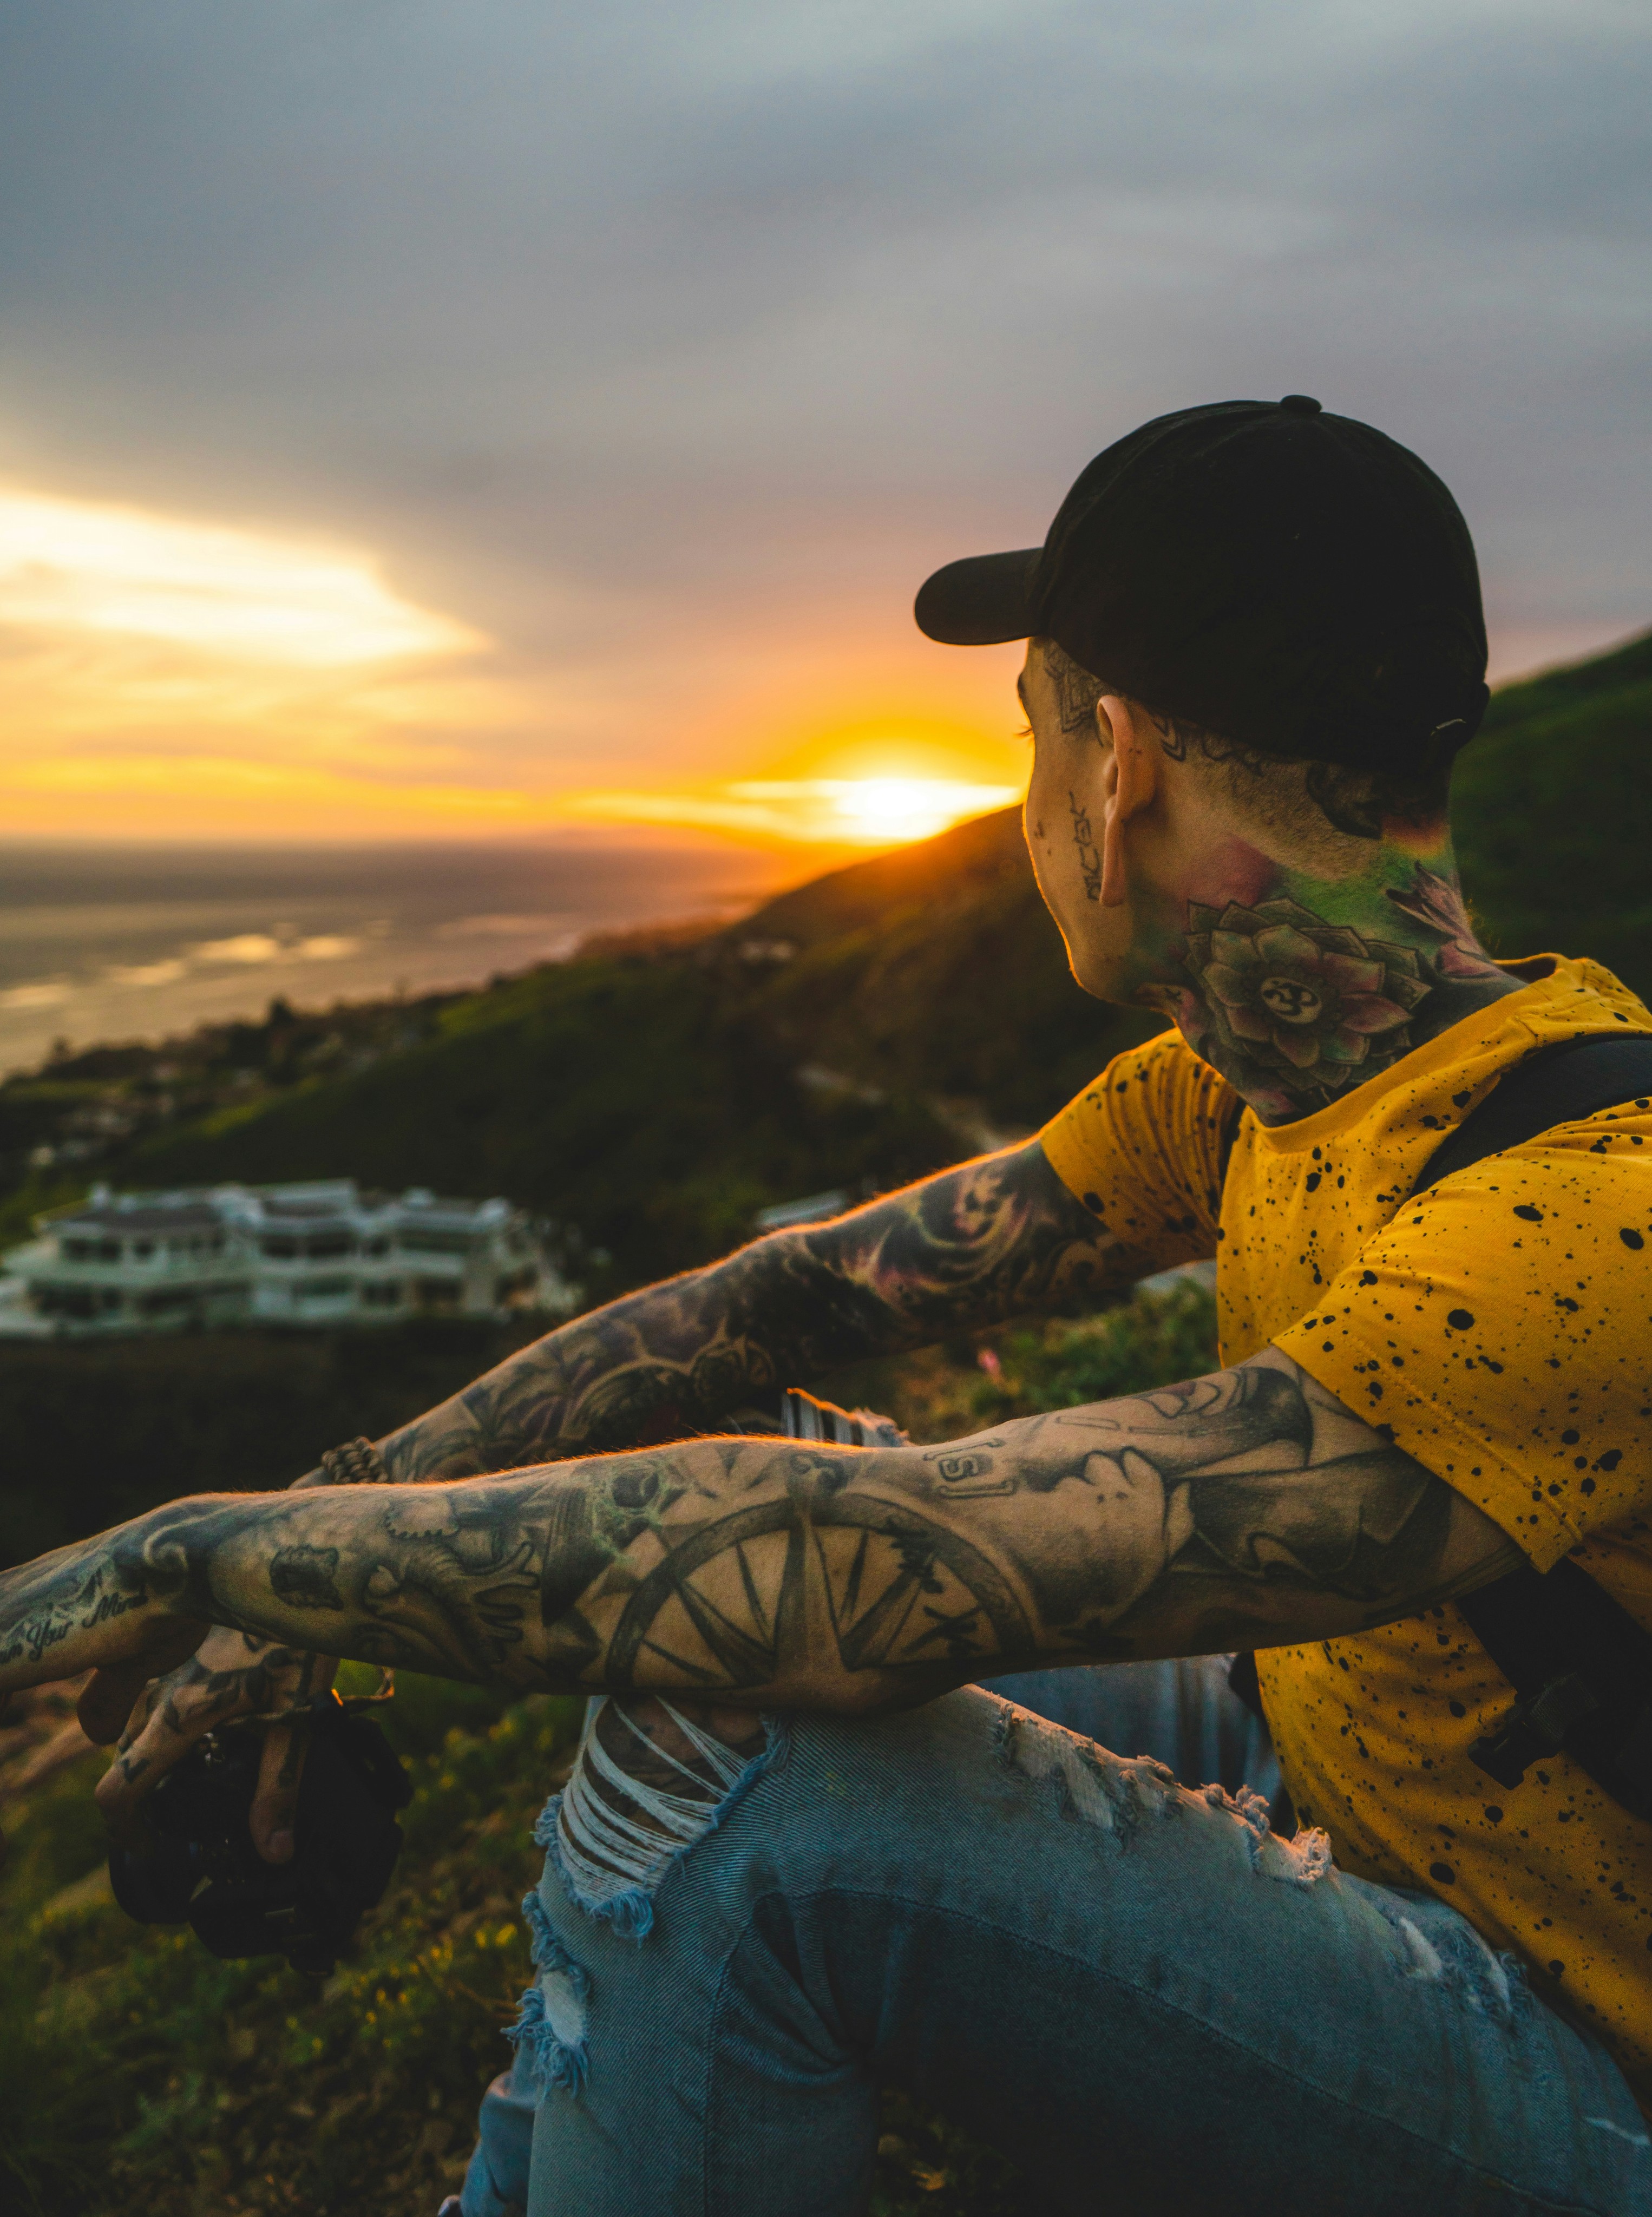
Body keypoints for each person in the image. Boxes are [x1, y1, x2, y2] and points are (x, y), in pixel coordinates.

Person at [7, 395, 1651, 2215]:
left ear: (1112, 775)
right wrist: (334, 1520)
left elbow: (858, 1570)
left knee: (757, 1764)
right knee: (729, 1460)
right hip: (1338, 1749)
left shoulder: (1586, 1225)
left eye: (1025, 734)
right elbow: (783, 1305)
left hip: (1585, 2061)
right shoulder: (1262, 1087)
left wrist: (199, 1557)